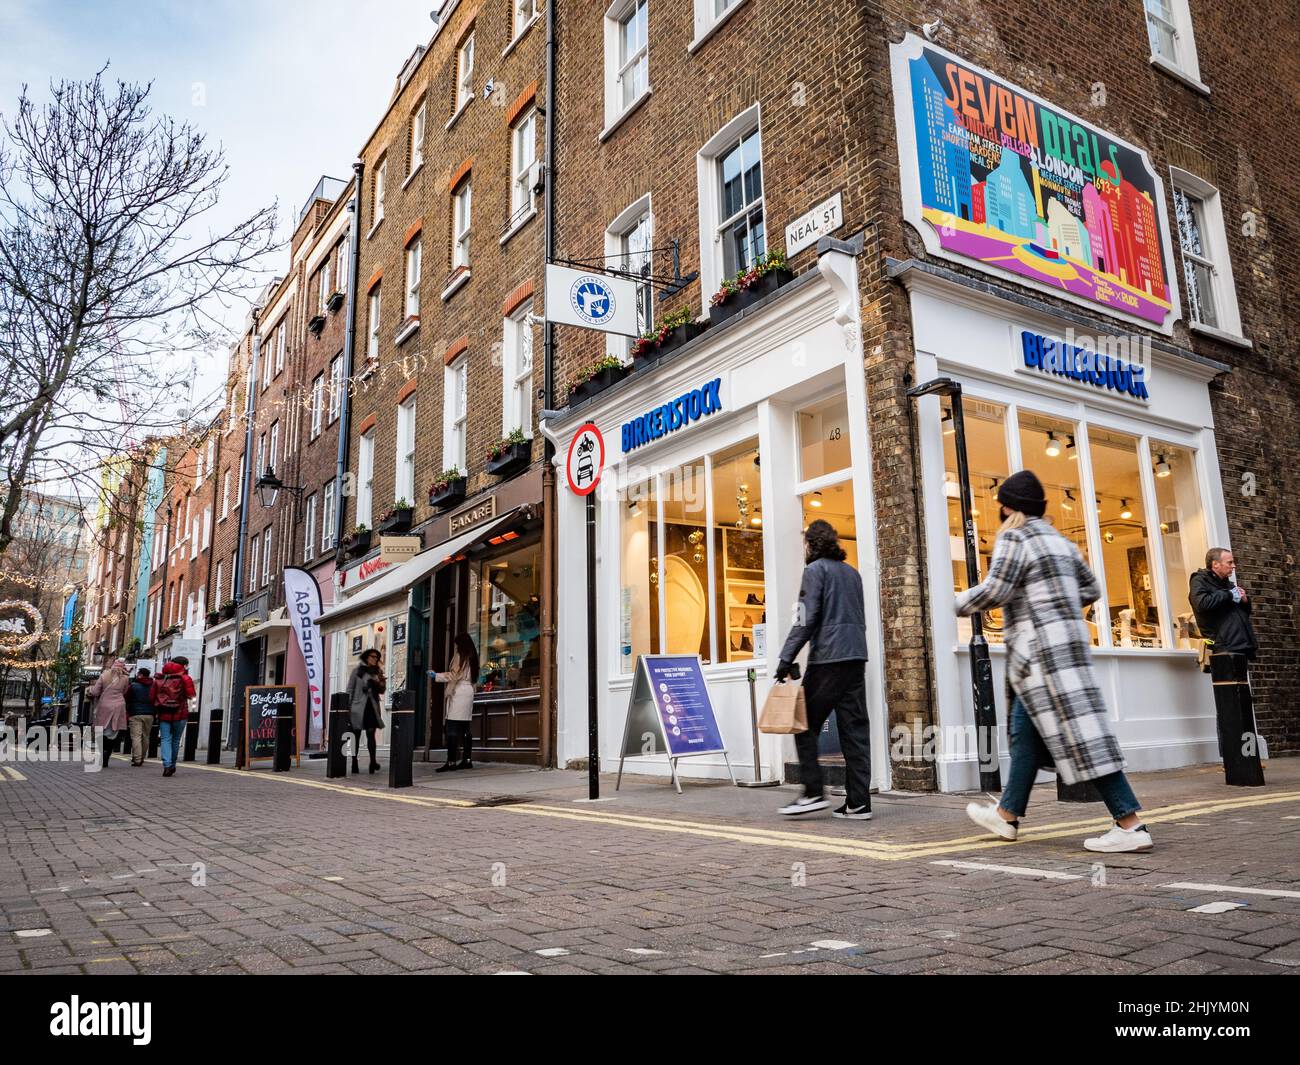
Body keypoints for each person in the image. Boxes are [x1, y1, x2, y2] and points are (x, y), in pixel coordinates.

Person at [957, 470, 1152, 853]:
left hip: (1039, 658)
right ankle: (1008, 816)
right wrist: (1057, 601)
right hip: (1067, 653)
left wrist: (956, 603)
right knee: (1025, 733)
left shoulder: (1015, 536)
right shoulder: (1061, 542)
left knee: (1085, 738)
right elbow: (1092, 587)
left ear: (1010, 508)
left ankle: (1130, 825)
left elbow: (997, 588)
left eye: (1002, 505)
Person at [773, 519, 873, 820]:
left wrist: (785, 658)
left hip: (828, 658)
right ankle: (858, 803)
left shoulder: (814, 571)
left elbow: (805, 617)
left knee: (802, 723)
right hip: (856, 658)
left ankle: (813, 793)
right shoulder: (852, 573)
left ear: (811, 544)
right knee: (855, 732)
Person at [1189, 548, 1258, 661]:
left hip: (1240, 645)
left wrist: (1245, 601)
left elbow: (1243, 614)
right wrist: (1228, 594)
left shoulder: (1227, 584)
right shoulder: (1199, 580)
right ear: (1215, 564)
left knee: (1239, 679)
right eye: (1230, 562)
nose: (1234, 566)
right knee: (1228, 679)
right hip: (1222, 647)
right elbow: (1201, 604)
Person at [428, 634, 479, 772]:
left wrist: (436, 675)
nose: (455, 646)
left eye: (456, 644)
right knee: (465, 727)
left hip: (459, 692)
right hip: (469, 691)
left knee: (452, 726)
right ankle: (467, 759)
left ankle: (451, 762)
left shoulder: (460, 655)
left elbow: (454, 674)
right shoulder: (473, 656)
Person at [151, 657, 196, 776]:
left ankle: (166, 765)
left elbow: (152, 697)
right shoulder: (185, 678)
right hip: (180, 713)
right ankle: (172, 765)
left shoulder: (159, 678)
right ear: (184, 666)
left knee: (165, 739)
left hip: (163, 713)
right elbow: (192, 695)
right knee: (175, 740)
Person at [345, 648, 386, 774]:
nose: (375, 659)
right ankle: (354, 762)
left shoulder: (377, 672)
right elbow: (350, 690)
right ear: (366, 657)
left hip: (372, 707)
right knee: (355, 736)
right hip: (358, 707)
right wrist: (347, 708)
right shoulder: (357, 671)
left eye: (377, 657)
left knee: (371, 733)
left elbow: (382, 690)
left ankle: (373, 762)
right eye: (372, 656)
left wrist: (378, 682)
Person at [88, 659, 130, 769]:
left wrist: (90, 690)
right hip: (118, 706)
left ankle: (102, 753)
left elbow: (95, 692)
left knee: (101, 730)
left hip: (104, 705)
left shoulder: (104, 675)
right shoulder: (125, 678)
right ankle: (107, 755)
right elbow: (125, 692)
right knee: (113, 733)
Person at [125, 667, 155, 767]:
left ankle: (137, 759)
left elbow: (127, 698)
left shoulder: (133, 685)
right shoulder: (153, 685)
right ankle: (142, 757)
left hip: (135, 714)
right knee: (146, 736)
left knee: (136, 737)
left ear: (140, 675)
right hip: (149, 714)